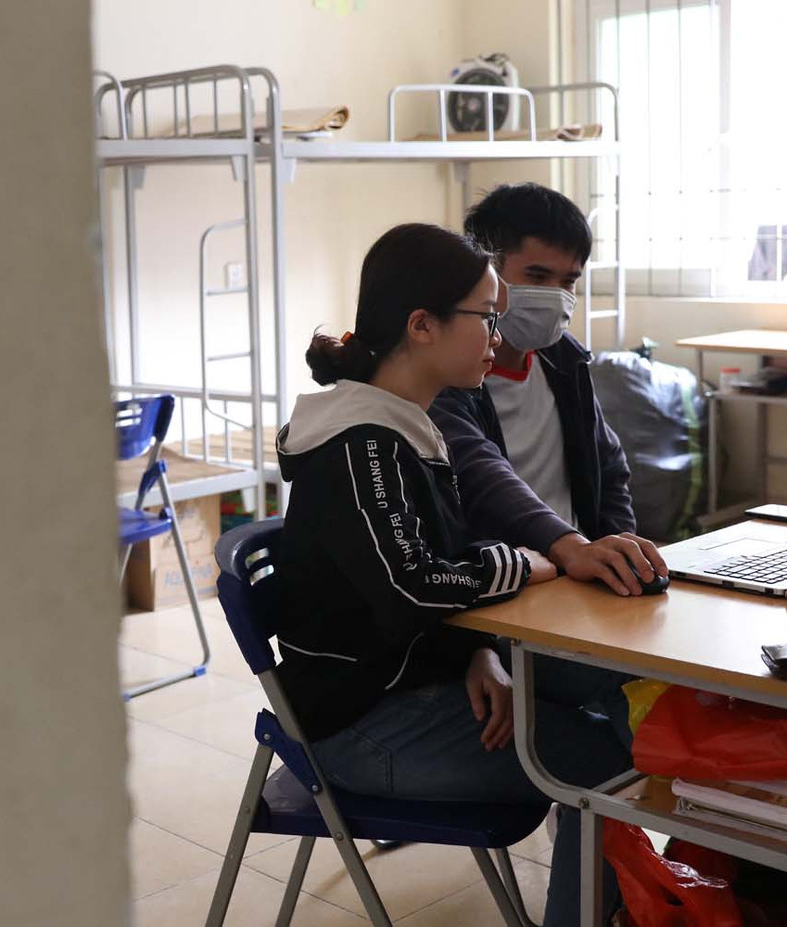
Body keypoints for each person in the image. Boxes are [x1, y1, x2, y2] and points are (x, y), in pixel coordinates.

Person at [275, 223, 631, 925]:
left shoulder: (407, 423)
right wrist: (522, 563)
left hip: (413, 680)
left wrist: (473, 652)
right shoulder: (363, 442)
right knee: (603, 764)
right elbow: (413, 583)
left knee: (610, 683)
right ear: (422, 326)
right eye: (486, 317)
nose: (498, 336)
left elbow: (435, 565)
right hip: (360, 724)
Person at [429, 182, 669, 599]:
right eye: (537, 276)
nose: (555, 296)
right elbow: (482, 475)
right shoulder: (446, 378)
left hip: (579, 575)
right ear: (486, 271)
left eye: (569, 281)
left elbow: (608, 465)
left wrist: (618, 557)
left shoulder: (564, 360)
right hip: (505, 585)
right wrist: (570, 547)